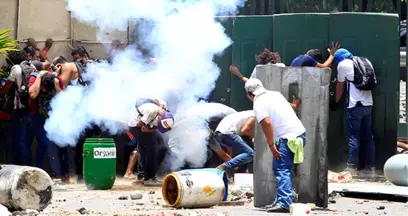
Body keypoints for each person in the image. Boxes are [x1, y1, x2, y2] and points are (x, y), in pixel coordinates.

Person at [244, 78, 306, 213]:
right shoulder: (275, 94)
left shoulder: (258, 103)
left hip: (288, 138)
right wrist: (295, 106)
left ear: (249, 94)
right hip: (299, 134)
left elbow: (266, 123)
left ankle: (284, 203)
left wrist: (271, 145)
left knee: (282, 169)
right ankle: (280, 201)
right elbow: (287, 106)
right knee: (283, 168)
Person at [334, 48, 375, 176]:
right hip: (368, 103)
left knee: (354, 136)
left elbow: (340, 85)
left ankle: (352, 168)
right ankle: (371, 168)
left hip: (355, 104)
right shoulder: (364, 61)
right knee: (368, 136)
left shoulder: (343, 64)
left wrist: (335, 101)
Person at [127, 98, 174, 186]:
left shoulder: (164, 113)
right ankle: (149, 178)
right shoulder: (152, 112)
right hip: (135, 126)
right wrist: (149, 129)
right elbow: (140, 126)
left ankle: (141, 176)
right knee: (151, 148)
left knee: (151, 147)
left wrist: (152, 128)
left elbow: (153, 127)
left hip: (144, 125)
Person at [0, 51, 34, 166]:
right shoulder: (31, 66)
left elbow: (6, 88)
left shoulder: (16, 68)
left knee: (19, 140)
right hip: (30, 107)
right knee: (24, 140)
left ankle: (21, 167)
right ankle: (28, 165)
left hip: (19, 109)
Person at [215, 110, 255, 177]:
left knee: (244, 155)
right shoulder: (255, 115)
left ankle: (240, 175)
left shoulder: (249, 113)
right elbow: (244, 130)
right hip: (228, 133)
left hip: (221, 134)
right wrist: (254, 136)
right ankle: (225, 167)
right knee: (250, 154)